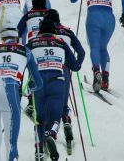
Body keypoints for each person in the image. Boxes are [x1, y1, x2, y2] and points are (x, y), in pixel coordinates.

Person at [0, 25, 42, 161]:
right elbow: (39, 82)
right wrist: (30, 89)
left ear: (2, 38)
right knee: (11, 142)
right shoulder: (26, 50)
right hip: (10, 91)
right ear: (16, 38)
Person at [27, 19, 80, 161]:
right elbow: (74, 65)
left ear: (40, 31)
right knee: (56, 116)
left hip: (38, 83)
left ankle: (39, 149)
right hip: (57, 81)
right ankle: (51, 134)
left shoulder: (32, 42)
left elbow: (22, 61)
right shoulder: (60, 42)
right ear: (54, 31)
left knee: (39, 119)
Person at [70, 0, 124, 92]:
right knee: (103, 48)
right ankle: (105, 79)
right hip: (109, 18)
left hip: (93, 17)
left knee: (95, 47)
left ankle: (96, 71)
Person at [43, 9, 85, 146]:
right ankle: (67, 124)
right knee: (63, 102)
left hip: (47, 68)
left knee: (49, 102)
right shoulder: (68, 31)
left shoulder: (45, 33)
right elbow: (81, 52)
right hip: (65, 69)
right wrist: (76, 65)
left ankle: (48, 132)